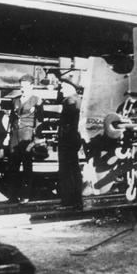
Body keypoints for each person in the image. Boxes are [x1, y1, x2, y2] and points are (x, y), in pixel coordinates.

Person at [7, 74, 42, 204]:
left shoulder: (37, 100)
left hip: (27, 136)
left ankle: (25, 196)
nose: (23, 89)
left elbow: (39, 121)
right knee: (13, 167)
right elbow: (11, 119)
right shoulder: (15, 100)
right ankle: (12, 196)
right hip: (14, 136)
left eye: (25, 86)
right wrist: (7, 135)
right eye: (21, 86)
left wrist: (36, 138)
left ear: (31, 86)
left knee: (27, 167)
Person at [57, 78, 84, 210]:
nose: (61, 90)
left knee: (66, 170)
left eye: (63, 87)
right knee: (74, 169)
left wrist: (63, 135)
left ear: (70, 87)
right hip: (74, 137)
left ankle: (68, 201)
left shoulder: (69, 100)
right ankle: (76, 201)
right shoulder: (77, 99)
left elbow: (69, 122)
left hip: (67, 138)